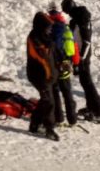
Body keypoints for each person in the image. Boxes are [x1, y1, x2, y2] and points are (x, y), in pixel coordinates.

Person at [62, 0, 100, 122]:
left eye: (67, 11)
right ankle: (90, 107)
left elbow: (86, 42)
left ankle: (99, 112)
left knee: (88, 83)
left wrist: (81, 58)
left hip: (83, 56)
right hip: (78, 55)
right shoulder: (75, 20)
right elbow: (73, 39)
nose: (68, 14)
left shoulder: (82, 18)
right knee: (84, 82)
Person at [27, 11, 60, 141]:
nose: (49, 30)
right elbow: (43, 60)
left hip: (47, 76)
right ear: (41, 26)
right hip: (39, 76)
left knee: (44, 100)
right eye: (47, 27)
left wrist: (60, 66)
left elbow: (53, 58)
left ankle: (34, 124)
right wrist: (49, 76)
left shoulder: (45, 38)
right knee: (49, 102)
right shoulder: (34, 39)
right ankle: (49, 129)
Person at [48, 2, 78, 127]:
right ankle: (72, 119)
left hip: (56, 64)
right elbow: (74, 46)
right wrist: (74, 62)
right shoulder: (65, 26)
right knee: (67, 91)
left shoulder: (51, 27)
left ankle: (59, 118)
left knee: (55, 91)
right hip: (67, 62)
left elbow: (54, 46)